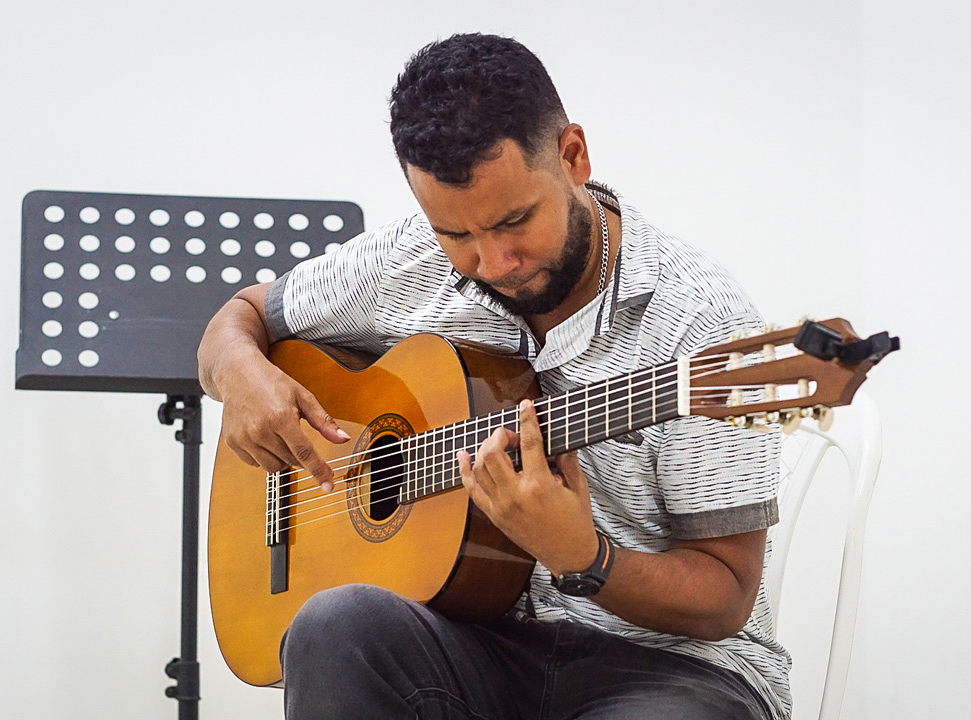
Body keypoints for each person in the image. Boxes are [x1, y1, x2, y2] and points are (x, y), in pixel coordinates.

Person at [198, 33, 790, 720]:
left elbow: (726, 595)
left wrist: (586, 556)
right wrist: (240, 375)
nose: (493, 261)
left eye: (515, 221)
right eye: (457, 234)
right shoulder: (409, 259)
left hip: (670, 671)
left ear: (572, 156)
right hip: (478, 644)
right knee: (334, 627)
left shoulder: (702, 323)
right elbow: (240, 316)